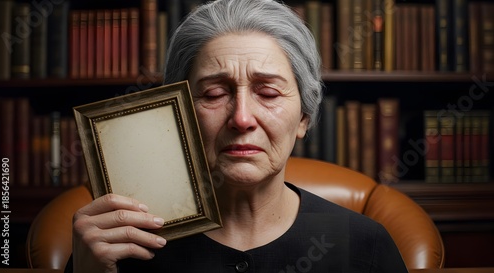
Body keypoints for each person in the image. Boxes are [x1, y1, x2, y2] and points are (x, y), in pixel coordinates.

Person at [66, 0, 409, 272]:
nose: (242, 118)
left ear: (304, 117)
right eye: (214, 94)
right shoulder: (119, 246)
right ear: (178, 114)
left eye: (269, 93)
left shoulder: (366, 245)